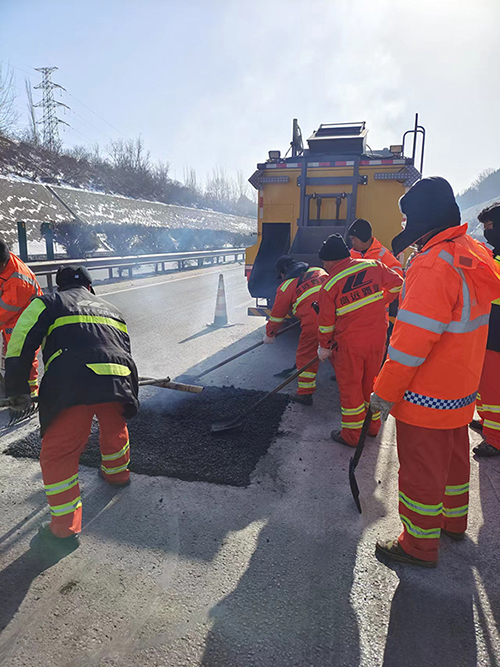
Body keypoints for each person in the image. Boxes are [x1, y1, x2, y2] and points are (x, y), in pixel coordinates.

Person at [371, 177, 500, 568]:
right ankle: (453, 521)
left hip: (425, 394)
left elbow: (410, 344)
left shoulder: (431, 265)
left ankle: (418, 545)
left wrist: (384, 391)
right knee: (454, 460)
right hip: (461, 390)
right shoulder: (473, 252)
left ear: (423, 219)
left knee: (421, 472)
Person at [5, 265, 139, 558]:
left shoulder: (48, 302)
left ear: (59, 286)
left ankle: (63, 532)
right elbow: (125, 351)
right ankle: (118, 474)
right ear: (90, 288)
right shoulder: (112, 309)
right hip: (117, 376)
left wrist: (17, 389)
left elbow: (20, 343)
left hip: (72, 383)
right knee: (114, 427)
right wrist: (130, 393)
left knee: (59, 455)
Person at [316, 234, 403, 446]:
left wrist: (324, 347)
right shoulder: (374, 265)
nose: (324, 266)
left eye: (324, 262)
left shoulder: (329, 286)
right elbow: (397, 283)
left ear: (330, 261)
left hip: (350, 345)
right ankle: (372, 428)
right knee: (371, 383)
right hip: (377, 338)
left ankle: (352, 436)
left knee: (351, 388)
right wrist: (382, 300)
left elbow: (326, 324)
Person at [264, 255, 327, 405]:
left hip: (314, 323)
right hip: (338, 318)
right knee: (339, 354)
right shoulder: (319, 271)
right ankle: (348, 388)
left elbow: (277, 316)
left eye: (280, 275)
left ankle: (305, 394)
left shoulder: (286, 286)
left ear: (284, 271)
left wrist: (270, 334)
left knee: (306, 355)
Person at [471, 203, 500, 457]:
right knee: (485, 386)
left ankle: (496, 439)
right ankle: (487, 423)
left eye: (489, 226)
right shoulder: (495, 255)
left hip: (497, 337)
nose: (486, 231)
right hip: (489, 332)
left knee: (493, 390)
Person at [0, 239, 42, 398]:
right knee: (9, 353)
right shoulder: (3, 258)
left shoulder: (18, 281)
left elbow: (3, 312)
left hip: (26, 316)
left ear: (3, 264)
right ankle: (10, 385)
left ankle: (29, 394)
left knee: (21, 354)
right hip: (10, 313)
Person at [348, 218, 403, 337]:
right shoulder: (350, 255)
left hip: (376, 316)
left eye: (354, 239)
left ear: (363, 237)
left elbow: (397, 279)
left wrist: (381, 300)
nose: (352, 242)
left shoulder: (383, 255)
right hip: (354, 315)